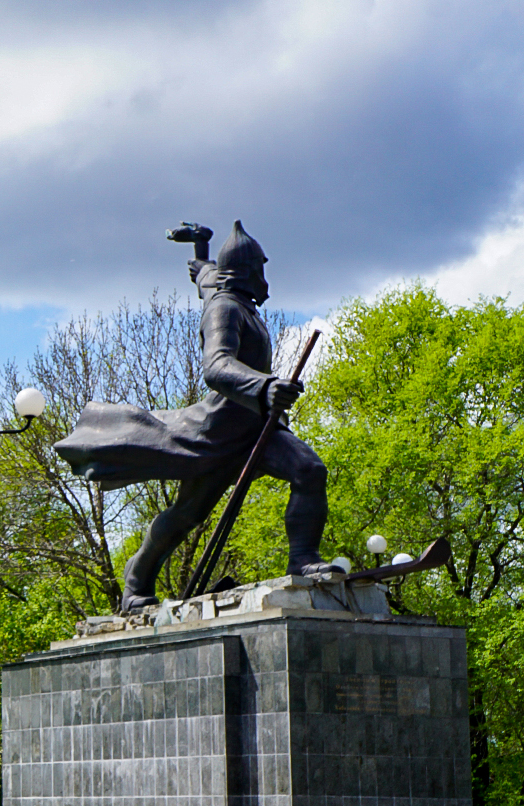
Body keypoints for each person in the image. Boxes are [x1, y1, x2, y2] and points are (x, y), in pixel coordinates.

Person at [54, 221, 331, 614]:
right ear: (248, 272)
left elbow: (203, 276)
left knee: (309, 470)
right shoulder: (224, 308)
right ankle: (136, 583)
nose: (265, 278)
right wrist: (266, 387)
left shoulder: (225, 292)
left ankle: (303, 558)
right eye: (260, 269)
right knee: (187, 514)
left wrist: (201, 246)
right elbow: (216, 366)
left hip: (257, 429)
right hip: (219, 434)